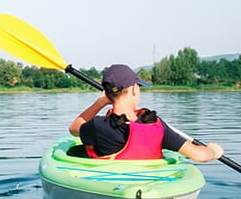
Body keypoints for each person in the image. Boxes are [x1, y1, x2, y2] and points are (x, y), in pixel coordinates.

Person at [68, 64, 224, 163]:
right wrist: (212, 151)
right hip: (150, 187)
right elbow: (199, 156)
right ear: (135, 89)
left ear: (108, 94)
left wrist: (100, 102)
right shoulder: (156, 125)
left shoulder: (98, 126)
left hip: (113, 187)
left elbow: (74, 128)